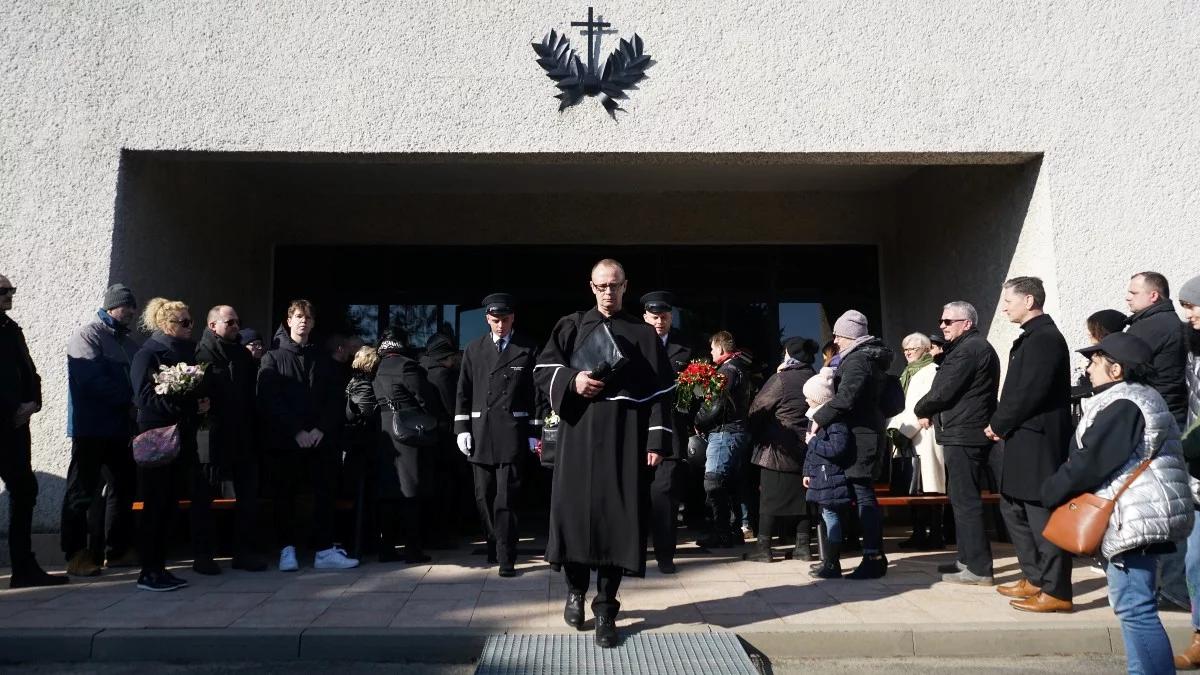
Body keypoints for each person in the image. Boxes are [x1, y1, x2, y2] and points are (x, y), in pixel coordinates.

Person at [534, 258, 675, 648]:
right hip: (578, 436)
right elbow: (543, 368)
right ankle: (575, 591)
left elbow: (662, 394)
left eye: (614, 286)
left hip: (624, 438)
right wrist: (572, 380)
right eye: (601, 286)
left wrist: (656, 441)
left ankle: (606, 610)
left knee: (618, 522)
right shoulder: (572, 325)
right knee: (575, 519)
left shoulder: (643, 334)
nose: (608, 293)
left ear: (625, 286)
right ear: (591, 287)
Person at [1042, 332, 1192, 674]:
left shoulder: (1126, 402)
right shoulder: (1134, 398)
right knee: (1134, 608)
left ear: (1116, 370)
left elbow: (1091, 461)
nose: (1088, 367)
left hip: (1134, 519)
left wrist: (1051, 491)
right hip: (1139, 515)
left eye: (1095, 361)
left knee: (1135, 609)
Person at [983, 277, 1074, 612]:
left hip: (1038, 439)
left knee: (1041, 515)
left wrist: (998, 423)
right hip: (1023, 438)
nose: (1004, 306)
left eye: (1009, 300)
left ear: (1030, 300)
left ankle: (1057, 591)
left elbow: (1029, 391)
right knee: (1013, 507)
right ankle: (1034, 578)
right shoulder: (1031, 338)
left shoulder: (1045, 339)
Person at [258, 299, 358, 571]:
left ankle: (325, 550)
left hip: (319, 440)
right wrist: (296, 431)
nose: (303, 321)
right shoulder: (272, 357)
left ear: (313, 323)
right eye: (298, 316)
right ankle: (286, 550)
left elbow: (334, 399)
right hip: (286, 441)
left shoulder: (322, 359)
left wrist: (319, 429)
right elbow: (270, 400)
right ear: (289, 320)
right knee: (285, 496)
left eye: (308, 317)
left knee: (324, 494)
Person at [915, 301, 1000, 585]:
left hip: (965, 433)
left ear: (967, 323)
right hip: (960, 431)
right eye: (941, 320)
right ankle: (966, 560)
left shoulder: (970, 349)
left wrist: (920, 408)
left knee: (966, 501)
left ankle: (977, 568)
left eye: (948, 321)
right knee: (961, 500)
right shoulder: (965, 349)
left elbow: (943, 391)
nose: (941, 326)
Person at [455, 293, 540, 577]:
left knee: (506, 498)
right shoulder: (474, 348)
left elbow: (536, 394)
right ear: (486, 319)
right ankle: (494, 541)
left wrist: (534, 429)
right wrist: (461, 428)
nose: (500, 325)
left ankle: (507, 555)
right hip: (480, 431)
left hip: (512, 433)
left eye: (504, 319)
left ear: (513, 317)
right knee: (483, 495)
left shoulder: (527, 348)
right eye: (494, 320)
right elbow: (463, 392)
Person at [130, 297, 213, 590]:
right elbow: (144, 398)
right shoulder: (148, 354)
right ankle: (149, 571)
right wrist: (188, 408)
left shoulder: (187, 353)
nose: (191, 327)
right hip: (157, 437)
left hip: (183, 438)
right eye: (185, 322)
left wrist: (200, 402)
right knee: (156, 504)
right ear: (167, 324)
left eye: (191, 321)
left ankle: (161, 568)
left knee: (171, 504)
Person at [809, 310, 894, 579]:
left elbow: (846, 399)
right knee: (858, 496)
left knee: (864, 497)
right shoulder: (869, 358)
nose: (834, 338)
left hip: (862, 438)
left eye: (837, 334)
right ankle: (856, 556)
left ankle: (873, 557)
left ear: (847, 335)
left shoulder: (858, 360)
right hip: (865, 434)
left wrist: (818, 418)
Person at [62, 283, 140, 577]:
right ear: (111, 307)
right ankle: (77, 554)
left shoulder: (129, 344)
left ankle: (115, 551)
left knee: (124, 488)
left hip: (120, 430)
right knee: (81, 491)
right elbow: (90, 380)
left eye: (133, 307)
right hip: (91, 428)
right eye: (126, 306)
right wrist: (130, 399)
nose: (131, 312)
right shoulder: (88, 335)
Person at [0, 274, 68, 588]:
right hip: (5, 422)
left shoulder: (11, 328)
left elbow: (29, 370)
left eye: (11, 290)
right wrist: (11, 409)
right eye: (3, 291)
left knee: (25, 490)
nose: (9, 295)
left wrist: (33, 403)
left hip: (16, 426)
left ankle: (24, 567)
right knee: (23, 488)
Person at [195, 305, 266, 572]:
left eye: (238, 321)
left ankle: (244, 552)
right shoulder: (200, 353)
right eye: (230, 322)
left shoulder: (241, 353)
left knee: (247, 495)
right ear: (213, 325)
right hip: (211, 434)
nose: (237, 326)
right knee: (205, 497)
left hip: (242, 434)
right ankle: (204, 555)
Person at [746, 337, 818, 563]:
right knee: (803, 500)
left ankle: (763, 548)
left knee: (768, 499)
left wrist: (756, 433)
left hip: (778, 449)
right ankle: (803, 547)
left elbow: (757, 409)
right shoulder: (815, 378)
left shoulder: (781, 379)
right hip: (807, 448)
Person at [375, 329, 443, 564]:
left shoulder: (376, 367)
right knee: (411, 493)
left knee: (387, 494)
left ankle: (386, 547)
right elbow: (425, 399)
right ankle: (413, 549)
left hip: (383, 434)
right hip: (407, 435)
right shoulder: (407, 366)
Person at [641, 290, 692, 573]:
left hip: (671, 432)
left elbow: (694, 390)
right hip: (638, 430)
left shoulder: (684, 347)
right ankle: (632, 555)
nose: (659, 322)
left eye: (664, 317)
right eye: (654, 317)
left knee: (666, 498)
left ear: (671, 317)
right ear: (645, 318)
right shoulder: (632, 342)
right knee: (635, 498)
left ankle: (665, 556)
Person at [694, 330, 754, 549]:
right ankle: (734, 530)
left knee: (713, 481)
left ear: (720, 348)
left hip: (724, 433)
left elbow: (715, 404)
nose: (710, 352)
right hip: (736, 432)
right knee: (730, 483)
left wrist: (699, 420)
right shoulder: (740, 367)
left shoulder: (727, 370)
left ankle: (722, 533)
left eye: (712, 348)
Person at [886, 332, 946, 550]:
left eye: (913, 348)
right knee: (914, 486)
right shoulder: (907, 373)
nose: (908, 352)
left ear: (926, 349)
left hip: (923, 433)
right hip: (908, 434)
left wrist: (904, 432)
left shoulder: (931, 371)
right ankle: (919, 532)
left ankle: (936, 533)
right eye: (905, 349)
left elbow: (923, 404)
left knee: (931, 487)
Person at [1172, 275, 1200, 670]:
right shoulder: (1193, 351)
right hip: (1197, 474)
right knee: (1195, 559)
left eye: (1193, 306)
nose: (1189, 315)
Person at [802, 367, 853, 579]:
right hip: (821, 476)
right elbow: (811, 452)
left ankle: (833, 563)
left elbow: (836, 449)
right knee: (824, 517)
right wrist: (807, 471)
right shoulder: (816, 420)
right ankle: (828, 560)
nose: (806, 401)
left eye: (808, 398)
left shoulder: (833, 421)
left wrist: (813, 442)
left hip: (830, 477)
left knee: (830, 517)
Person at [1126, 271, 1190, 427]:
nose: (1128, 297)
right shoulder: (1172, 322)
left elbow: (1125, 372)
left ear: (1153, 296)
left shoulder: (1147, 328)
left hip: (1155, 416)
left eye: (1134, 293)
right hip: (1176, 411)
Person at [421, 332, 466, 549]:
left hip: (428, 437)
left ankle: (432, 532)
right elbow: (452, 408)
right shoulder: (443, 376)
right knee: (447, 486)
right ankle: (444, 533)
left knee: (433, 486)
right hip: (444, 437)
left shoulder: (421, 369)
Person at [344, 345, 381, 559]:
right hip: (362, 448)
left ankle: (360, 542)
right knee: (363, 498)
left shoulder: (352, 382)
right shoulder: (364, 385)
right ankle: (361, 543)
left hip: (356, 448)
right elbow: (368, 414)